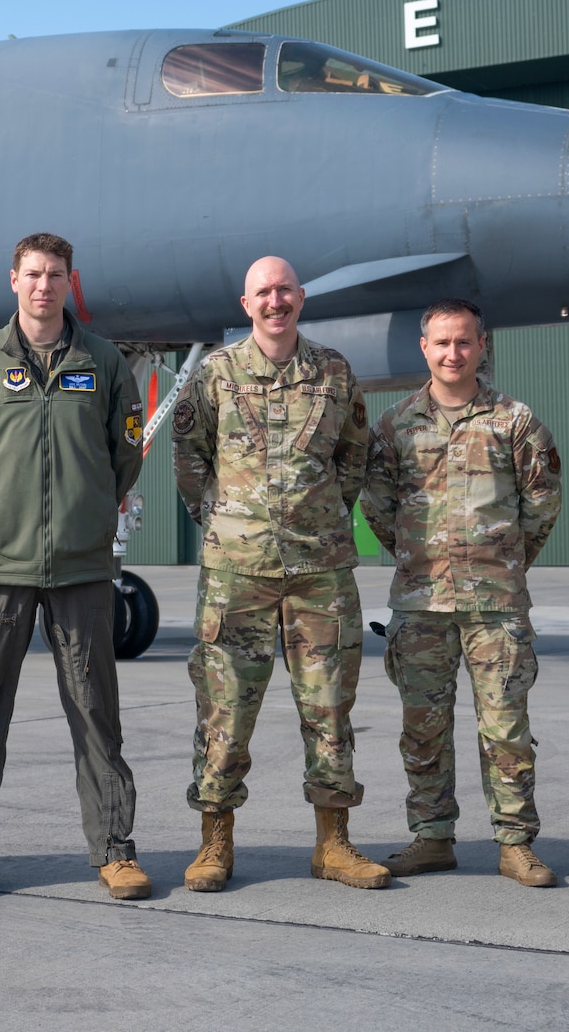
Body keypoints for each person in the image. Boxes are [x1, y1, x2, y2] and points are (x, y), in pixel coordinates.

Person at [0, 233, 150, 902]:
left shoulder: (103, 362)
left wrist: (89, 512)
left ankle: (114, 850)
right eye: (32, 274)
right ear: (14, 280)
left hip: (81, 568)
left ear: (68, 281)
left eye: (55, 274)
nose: (43, 285)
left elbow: (126, 452)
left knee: (96, 713)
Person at [171, 256, 389, 893]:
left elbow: (354, 457)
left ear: (300, 298)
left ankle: (333, 844)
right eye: (263, 292)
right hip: (237, 574)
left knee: (330, 710)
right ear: (247, 305)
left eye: (285, 290)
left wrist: (319, 518)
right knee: (225, 712)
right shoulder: (215, 374)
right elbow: (190, 461)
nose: (276, 301)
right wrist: (226, 522)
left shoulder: (334, 372)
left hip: (320, 571)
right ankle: (215, 843)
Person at [362, 298, 562, 887]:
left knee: (506, 730)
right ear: (424, 348)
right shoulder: (395, 426)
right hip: (421, 603)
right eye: (443, 342)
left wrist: (502, 562)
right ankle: (432, 838)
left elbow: (542, 504)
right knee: (423, 728)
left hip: (495, 605)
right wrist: (419, 559)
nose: (454, 353)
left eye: (464, 342)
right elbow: (378, 506)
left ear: (482, 346)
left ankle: (515, 843)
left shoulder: (514, 421)